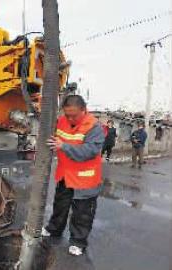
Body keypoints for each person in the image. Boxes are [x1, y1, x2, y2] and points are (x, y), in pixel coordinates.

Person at [42, 95, 105, 256]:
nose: (70, 118)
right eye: (67, 114)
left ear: (83, 110)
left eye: (74, 115)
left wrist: (63, 146)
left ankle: (78, 242)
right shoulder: (62, 121)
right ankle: (54, 229)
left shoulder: (94, 127)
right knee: (60, 206)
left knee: (82, 213)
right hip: (65, 175)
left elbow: (89, 151)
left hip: (85, 178)